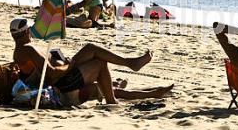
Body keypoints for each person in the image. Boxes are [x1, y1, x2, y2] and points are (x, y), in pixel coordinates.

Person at [9, 18, 172, 105]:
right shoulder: (27, 49)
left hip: (62, 76)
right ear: (26, 32)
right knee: (99, 63)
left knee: (90, 49)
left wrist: (62, 60)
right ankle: (131, 69)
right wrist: (69, 65)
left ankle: (148, 87)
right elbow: (50, 72)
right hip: (61, 81)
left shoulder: (21, 51)